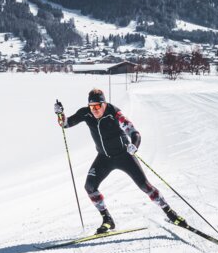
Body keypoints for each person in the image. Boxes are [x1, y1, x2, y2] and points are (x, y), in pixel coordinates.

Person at [55, 88, 185, 234]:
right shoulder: (85, 113)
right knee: (90, 187)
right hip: (104, 157)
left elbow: (134, 132)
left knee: (145, 186)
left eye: (98, 106)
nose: (95, 110)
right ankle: (107, 220)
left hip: (124, 156)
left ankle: (170, 213)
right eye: (92, 106)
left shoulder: (114, 113)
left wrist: (134, 145)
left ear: (104, 104)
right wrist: (60, 114)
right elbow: (65, 124)